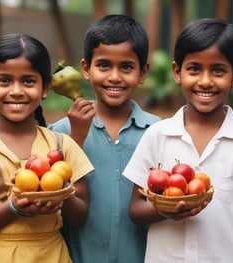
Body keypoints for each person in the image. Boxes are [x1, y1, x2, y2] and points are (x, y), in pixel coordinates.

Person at [123, 18, 233, 263]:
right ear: (177, 73)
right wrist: (166, 211)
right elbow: (135, 209)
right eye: (194, 69)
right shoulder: (157, 135)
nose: (205, 81)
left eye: (218, 70)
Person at [0, 33, 94, 262]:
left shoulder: (62, 145)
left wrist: (61, 193)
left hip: (51, 255)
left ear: (45, 88)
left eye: (28, 81)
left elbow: (80, 215)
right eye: (4, 80)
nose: (16, 90)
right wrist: (14, 208)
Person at [48, 15, 161, 263]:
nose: (114, 77)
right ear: (86, 69)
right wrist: (75, 138)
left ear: (143, 72)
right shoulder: (59, 132)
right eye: (104, 65)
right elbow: (49, 188)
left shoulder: (159, 132)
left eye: (127, 67)